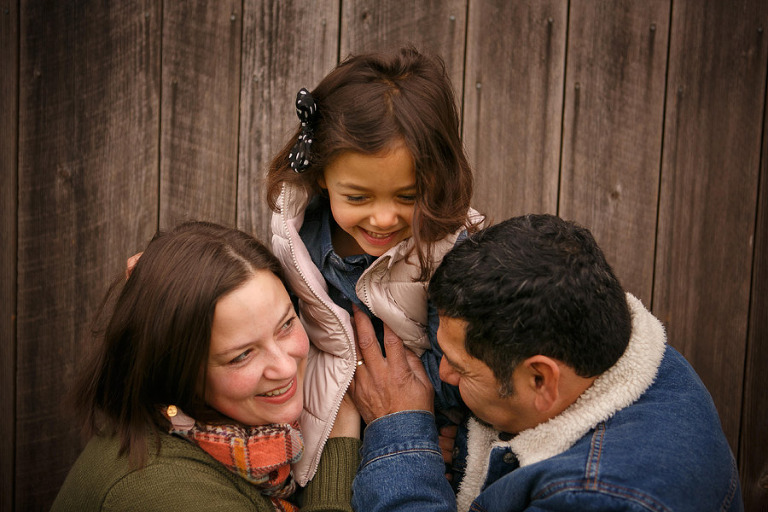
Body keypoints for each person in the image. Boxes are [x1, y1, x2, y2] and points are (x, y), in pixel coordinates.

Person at [348, 214, 744, 511]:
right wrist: (474, 448)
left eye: (462, 368)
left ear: (541, 379)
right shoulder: (620, 352)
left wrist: (399, 436)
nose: (444, 375)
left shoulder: (598, 498)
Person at [266, 46, 482, 485]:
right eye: (358, 197)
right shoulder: (295, 235)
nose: (383, 218)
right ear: (321, 174)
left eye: (407, 196)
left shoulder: (449, 250)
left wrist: (421, 421)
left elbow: (461, 366)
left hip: (414, 437)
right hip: (318, 434)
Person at [52, 221, 361, 512]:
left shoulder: (244, 440)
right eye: (241, 355)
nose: (284, 367)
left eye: (285, 325)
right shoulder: (162, 489)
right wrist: (339, 446)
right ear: (176, 368)